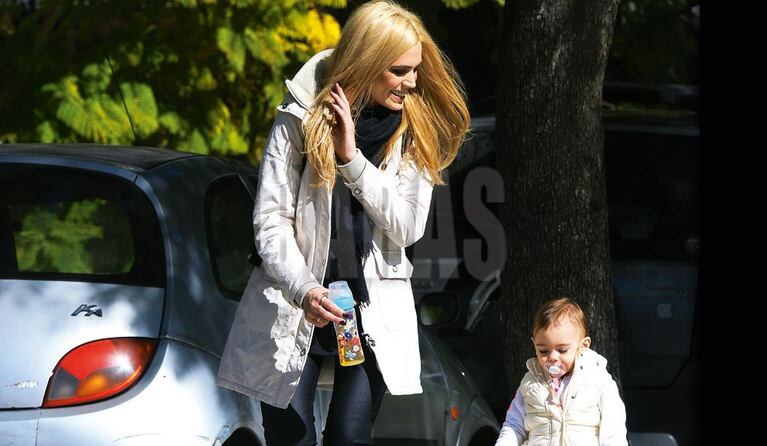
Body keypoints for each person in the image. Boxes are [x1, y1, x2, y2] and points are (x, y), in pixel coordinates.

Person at [216, 1, 470, 444]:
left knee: (349, 438)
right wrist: (304, 290)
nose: (411, 82)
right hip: (296, 302)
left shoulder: (415, 128)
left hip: (370, 309)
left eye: (415, 69)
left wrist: (352, 161)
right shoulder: (299, 112)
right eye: (399, 70)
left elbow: (407, 227)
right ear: (366, 61)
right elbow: (271, 219)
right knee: (289, 438)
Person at [495, 297, 628, 446]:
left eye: (562, 350)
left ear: (583, 345)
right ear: (534, 345)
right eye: (543, 350)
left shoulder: (598, 379)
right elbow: (514, 425)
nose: (552, 357)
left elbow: (613, 429)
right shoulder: (530, 383)